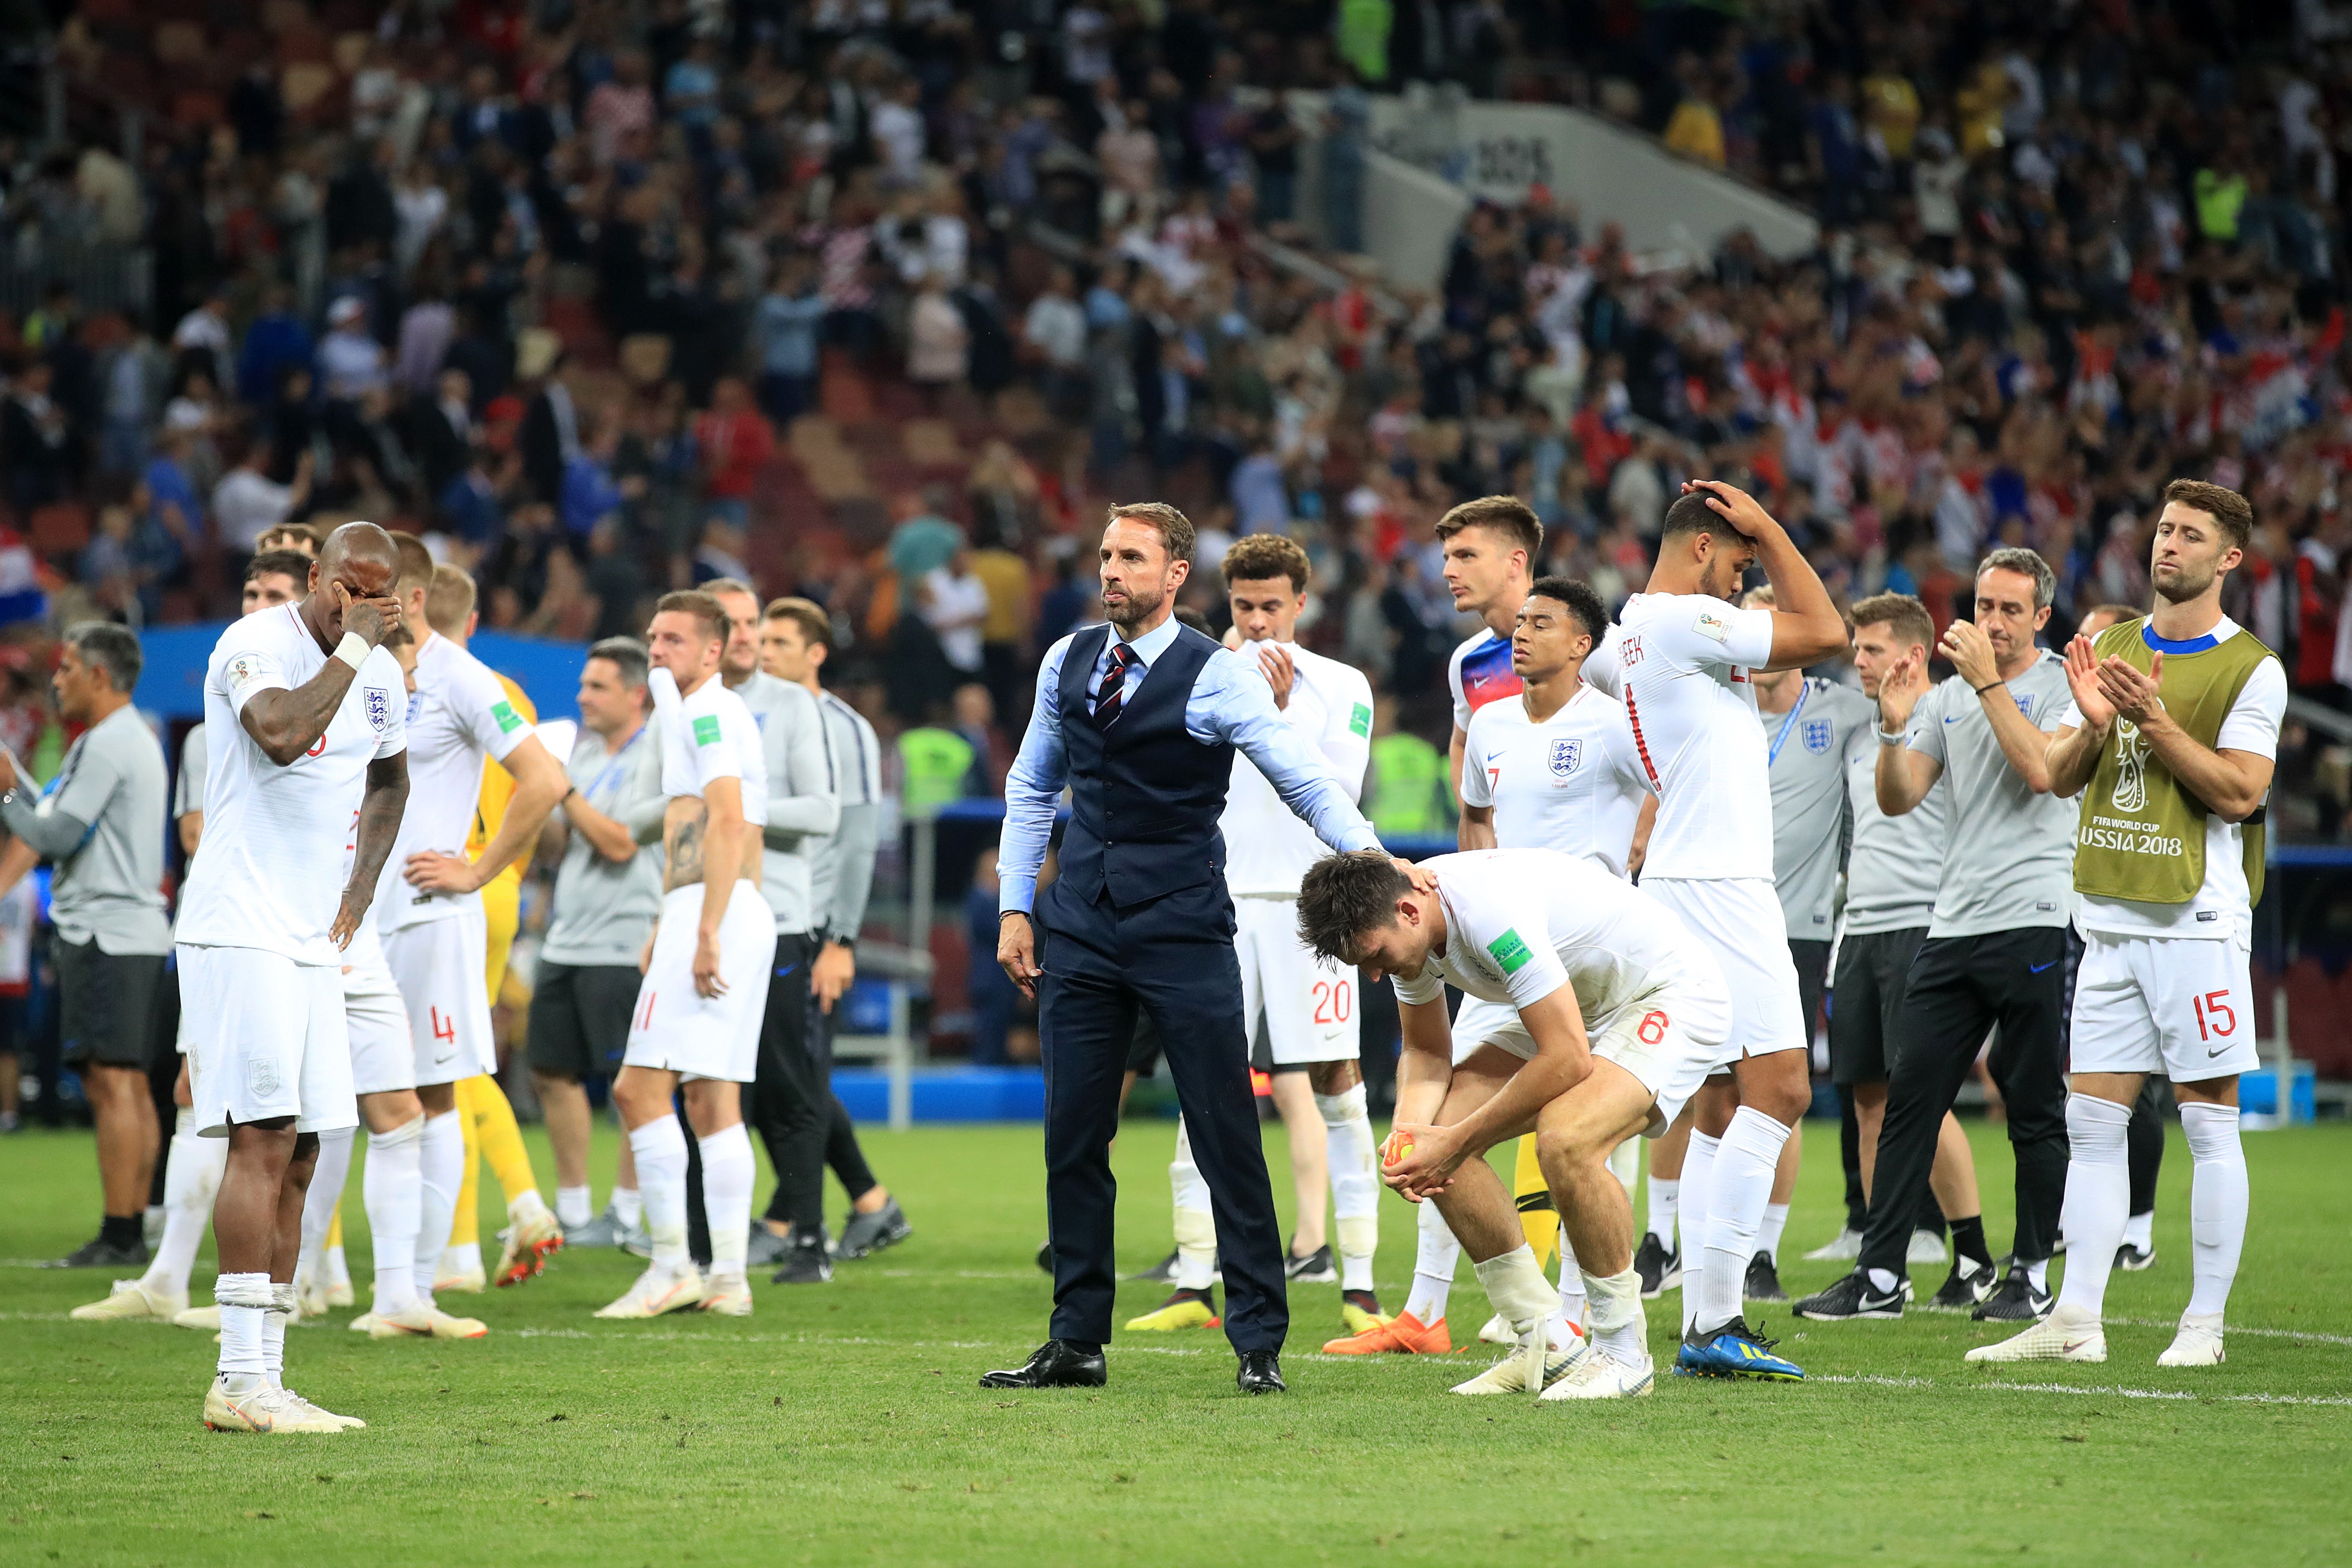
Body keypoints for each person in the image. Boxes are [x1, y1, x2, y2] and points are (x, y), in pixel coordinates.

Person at [984, 502, 1398, 1396]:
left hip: (1183, 925)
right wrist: (1018, 907)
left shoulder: (1217, 676)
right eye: (1103, 555)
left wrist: (1371, 857)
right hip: (1082, 925)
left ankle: (1256, 1340)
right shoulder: (1066, 659)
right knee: (1072, 1136)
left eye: (1129, 557)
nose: (1110, 571)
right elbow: (1028, 789)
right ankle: (1075, 1339)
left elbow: (1300, 776)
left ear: (1174, 573)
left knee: (1225, 1131)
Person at [1973, 480, 2279, 1367]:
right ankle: (2075, 1319)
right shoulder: (2105, 644)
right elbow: (2059, 774)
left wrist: (2152, 718)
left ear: (2227, 558)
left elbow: (2239, 789)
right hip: (2105, 916)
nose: (2167, 545)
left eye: (2189, 535)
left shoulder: (2249, 667)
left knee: (2207, 1122)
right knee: (2092, 1125)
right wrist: (2097, 725)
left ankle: (2203, 1326)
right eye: (2162, 529)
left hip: (2194, 923)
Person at [1330, 575, 1653, 1358]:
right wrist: (1477, 890)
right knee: (1435, 1128)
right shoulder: (1488, 720)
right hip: (1500, 943)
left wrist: (1639, 861)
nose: (1522, 633)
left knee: (1573, 1139)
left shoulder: (1612, 723)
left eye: (1542, 624)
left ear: (1581, 643)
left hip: (1592, 951)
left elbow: (1665, 791)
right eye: (1523, 622)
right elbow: (1475, 814)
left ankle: (1580, 1316)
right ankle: (1435, 1311)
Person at [1578, 480, 1850, 1380]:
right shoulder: (1681, 621)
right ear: (1701, 547)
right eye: (1737, 565)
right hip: (1719, 883)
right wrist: (1771, 526)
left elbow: (1602, 673)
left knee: (1708, 1103)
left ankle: (1700, 1313)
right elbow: (1827, 634)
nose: (1745, 581)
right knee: (1779, 1088)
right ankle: (1712, 1315)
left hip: (1690, 878)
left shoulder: (1634, 631)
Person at [1299, 847, 1730, 1401]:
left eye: (1374, 956)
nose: (1377, 976)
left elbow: (1567, 1058)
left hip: (1666, 994)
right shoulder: (1410, 925)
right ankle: (1545, 1343)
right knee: (1434, 1133)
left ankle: (1624, 1352)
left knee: (1566, 1139)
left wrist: (1454, 1144)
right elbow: (1429, 1052)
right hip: (1581, 1004)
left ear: (1408, 912)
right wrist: (1413, 1135)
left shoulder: (1488, 917)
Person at [1793, 547, 2077, 1325]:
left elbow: (2042, 772)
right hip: (1952, 923)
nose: (1992, 620)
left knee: (2030, 1102)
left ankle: (2028, 1271)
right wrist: (1891, 733)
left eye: (2010, 609)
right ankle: (1881, 1274)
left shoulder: (2062, 688)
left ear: (2042, 618)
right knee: (1907, 1097)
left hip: (2031, 914)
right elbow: (1900, 798)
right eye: (1984, 605)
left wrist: (1986, 680)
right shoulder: (1945, 701)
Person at [175, 521, 408, 1433]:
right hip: (240, 927)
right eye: (348, 588)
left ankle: (266, 1375)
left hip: (314, 936)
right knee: (262, 1134)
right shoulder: (253, 643)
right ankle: (236, 1376)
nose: (361, 606)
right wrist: (355, 643)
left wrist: (361, 884)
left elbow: (389, 781)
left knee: (305, 1150)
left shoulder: (383, 676)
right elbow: (279, 733)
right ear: (316, 577)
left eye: (377, 595)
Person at [1123, 534, 1384, 1339]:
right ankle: (1193, 1278)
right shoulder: (1195, 675)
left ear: (1301, 602)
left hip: (1312, 909)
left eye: (1273, 604)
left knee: (1340, 1083)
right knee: (1201, 1085)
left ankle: (1361, 1281)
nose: (1259, 619)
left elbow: (1336, 790)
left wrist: (1274, 714)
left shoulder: (1342, 686)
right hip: (1221, 901)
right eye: (1243, 605)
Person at [366, 542, 567, 1333]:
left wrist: (479, 868)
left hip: (442, 904)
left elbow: (546, 779)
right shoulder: (373, 674)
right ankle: (379, 1278)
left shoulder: (468, 677)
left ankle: (436, 1270)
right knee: (386, 1093)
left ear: (412, 598)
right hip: (381, 909)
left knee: (440, 1084)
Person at [1804, 593, 1993, 1310]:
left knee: (1927, 1096)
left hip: (1926, 920)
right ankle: (1883, 1267)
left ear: (1913, 656)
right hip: (1860, 927)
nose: (1857, 660)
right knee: (1867, 1101)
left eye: (1872, 650)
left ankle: (1972, 1253)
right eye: (1854, 647)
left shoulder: (1952, 711)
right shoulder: (1859, 725)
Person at [594, 591, 776, 1319]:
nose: (656, 648)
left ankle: (670, 1265)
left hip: (718, 913)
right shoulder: (697, 712)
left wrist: (700, 928)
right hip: (723, 911)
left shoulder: (708, 710)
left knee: (637, 1090)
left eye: (671, 638)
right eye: (651, 634)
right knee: (711, 1096)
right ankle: (728, 1279)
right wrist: (666, 919)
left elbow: (726, 821)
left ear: (711, 651)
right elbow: (696, 825)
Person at [1727, 582, 1881, 1304]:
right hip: (1713, 919)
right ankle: (1672, 1237)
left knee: (1776, 1090)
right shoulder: (1714, 704)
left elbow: (1903, 717)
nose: (1755, 649)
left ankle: (1760, 1253)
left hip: (1798, 928)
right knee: (1701, 1090)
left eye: (1767, 634)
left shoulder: (1841, 710)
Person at [6, 624, 171, 1270]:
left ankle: (120, 1230)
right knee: (126, 1081)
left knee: (112, 1082)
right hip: (128, 931)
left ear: (100, 676)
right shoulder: (129, 738)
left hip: (107, 931)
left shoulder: (107, 744)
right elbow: (58, 819)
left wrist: (7, 788)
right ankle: (133, 1225)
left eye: (68, 668)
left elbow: (58, 836)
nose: (57, 680)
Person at [700, 580, 841, 1284]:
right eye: (734, 623)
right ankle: (703, 1249)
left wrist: (737, 809)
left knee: (789, 1087)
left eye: (755, 621)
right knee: (701, 1084)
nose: (749, 634)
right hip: (699, 915)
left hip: (778, 917)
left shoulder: (790, 705)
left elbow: (825, 811)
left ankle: (810, 1242)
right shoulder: (683, 705)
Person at [759, 597, 909, 1259]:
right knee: (784, 1076)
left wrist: (841, 942)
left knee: (797, 1079)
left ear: (816, 653)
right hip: (769, 919)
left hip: (815, 925)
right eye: (761, 641)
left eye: (781, 643)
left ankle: (790, 1221)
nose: (765, 653)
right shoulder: (760, 714)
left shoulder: (839, 726)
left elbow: (853, 840)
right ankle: (867, 1202)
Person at [434, 568, 565, 1295]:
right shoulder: (509, 696)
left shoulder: (415, 684)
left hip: (443, 886)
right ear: (476, 621)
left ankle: (465, 1243)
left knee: (437, 1070)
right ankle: (511, 1209)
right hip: (500, 887)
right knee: (460, 1065)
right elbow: (542, 794)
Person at [529, 638, 666, 1250]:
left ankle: (629, 1211)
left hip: (625, 941)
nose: (582, 696)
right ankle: (576, 1209)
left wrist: (561, 792)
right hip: (567, 938)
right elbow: (560, 849)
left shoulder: (657, 758)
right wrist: (540, 806)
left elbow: (617, 842)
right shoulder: (580, 756)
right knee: (551, 1072)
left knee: (629, 1082)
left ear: (636, 694)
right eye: (583, 685)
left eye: (597, 687)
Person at [2071, 601, 2172, 1272]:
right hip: (2084, 913)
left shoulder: (2163, 704)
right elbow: (2051, 777)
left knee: (2155, 1092)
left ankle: (2138, 1224)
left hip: (2158, 913)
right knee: (2087, 1093)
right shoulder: (2080, 709)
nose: (2082, 650)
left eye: (2096, 639)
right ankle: (2093, 1230)